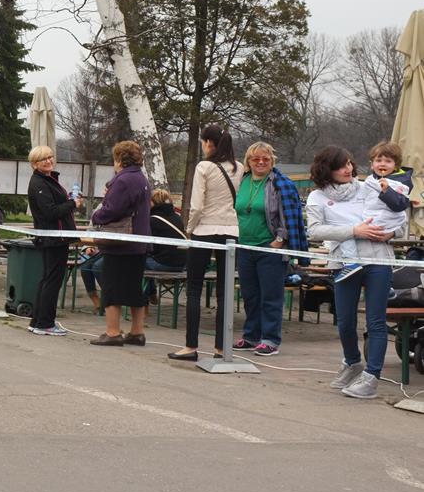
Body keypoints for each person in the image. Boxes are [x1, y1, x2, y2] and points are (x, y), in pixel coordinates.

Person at [306, 145, 401, 399]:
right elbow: (314, 231)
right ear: (327, 170)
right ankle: (352, 362)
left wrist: (392, 233)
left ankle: (372, 377)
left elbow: (397, 216)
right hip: (344, 263)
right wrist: (353, 231)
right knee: (345, 320)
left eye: (349, 163)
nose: (347, 169)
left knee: (376, 321)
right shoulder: (316, 197)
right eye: (340, 166)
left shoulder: (369, 186)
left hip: (378, 259)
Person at [169, 125, 242, 361]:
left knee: (194, 288)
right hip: (230, 229)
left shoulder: (204, 167)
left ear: (208, 143)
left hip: (205, 229)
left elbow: (197, 205)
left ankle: (191, 346)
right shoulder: (239, 167)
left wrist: (189, 229)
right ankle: (221, 348)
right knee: (224, 292)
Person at [233, 142, 307, 356]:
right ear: (248, 161)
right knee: (250, 296)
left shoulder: (280, 183)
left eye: (265, 158)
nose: (261, 162)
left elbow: (290, 215)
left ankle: (270, 339)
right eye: (255, 159)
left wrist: (280, 240)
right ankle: (251, 336)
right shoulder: (241, 181)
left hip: (270, 248)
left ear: (272, 161)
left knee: (271, 297)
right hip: (244, 247)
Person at [85, 141, 152, 347]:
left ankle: (113, 332)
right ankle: (137, 332)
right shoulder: (142, 178)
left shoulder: (123, 180)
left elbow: (113, 210)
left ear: (119, 159)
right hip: (139, 241)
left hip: (121, 243)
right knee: (134, 288)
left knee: (111, 287)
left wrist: (96, 215)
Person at [332, 141, 411, 283]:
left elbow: (400, 206)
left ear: (396, 165)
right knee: (347, 229)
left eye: (388, 161)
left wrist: (387, 191)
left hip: (382, 232)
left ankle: (350, 263)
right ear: (371, 164)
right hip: (368, 227)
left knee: (348, 231)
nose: (382, 164)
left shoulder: (399, 184)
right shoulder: (368, 182)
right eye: (378, 160)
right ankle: (351, 263)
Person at [27, 146, 82, 336]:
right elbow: (50, 212)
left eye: (50, 157)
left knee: (48, 279)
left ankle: (37, 321)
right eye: (43, 159)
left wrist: (69, 203)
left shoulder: (48, 180)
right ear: (35, 164)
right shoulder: (39, 183)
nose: (49, 161)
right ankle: (45, 323)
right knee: (52, 280)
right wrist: (72, 204)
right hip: (53, 237)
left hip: (56, 236)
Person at [142, 189, 187, 304]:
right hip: (181, 265)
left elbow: (150, 247)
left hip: (164, 264)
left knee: (137, 261)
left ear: (153, 203)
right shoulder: (177, 217)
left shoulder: (152, 220)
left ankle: (144, 298)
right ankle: (150, 294)